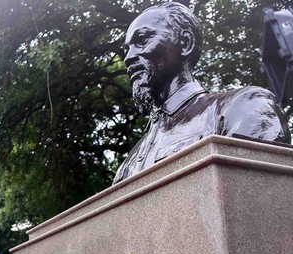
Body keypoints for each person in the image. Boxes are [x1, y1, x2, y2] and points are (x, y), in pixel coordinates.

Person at [113, 2, 291, 184]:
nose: (128, 58)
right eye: (127, 49)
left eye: (142, 40)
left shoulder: (241, 107)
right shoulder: (129, 163)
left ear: (185, 43)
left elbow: (259, 195)